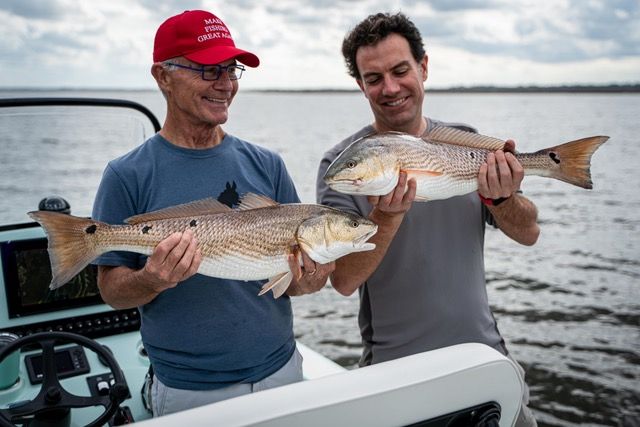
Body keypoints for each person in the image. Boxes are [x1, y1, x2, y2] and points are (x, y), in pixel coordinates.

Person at [92, 9, 333, 417]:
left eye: (232, 69)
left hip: (282, 372)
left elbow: (292, 284)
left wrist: (312, 277)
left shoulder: (267, 164)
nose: (225, 84)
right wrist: (151, 279)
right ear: (162, 76)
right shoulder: (126, 175)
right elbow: (112, 291)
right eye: (208, 70)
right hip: (189, 391)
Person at [316, 12, 539, 426]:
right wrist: (386, 214)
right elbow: (343, 280)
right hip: (397, 375)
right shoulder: (342, 164)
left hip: (484, 358)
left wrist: (501, 197)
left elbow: (528, 232)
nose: (391, 88)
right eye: (374, 78)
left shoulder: (467, 144)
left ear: (423, 67)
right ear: (361, 86)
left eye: (401, 70)